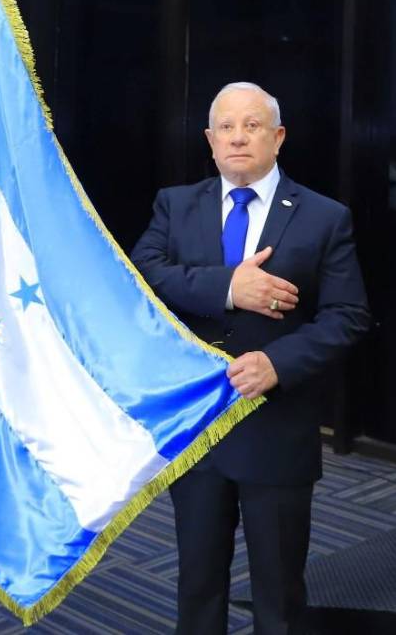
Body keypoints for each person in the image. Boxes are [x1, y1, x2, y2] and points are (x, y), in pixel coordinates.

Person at [132, 82, 371, 635]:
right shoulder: (175, 204)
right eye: (226, 127)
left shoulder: (323, 216)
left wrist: (276, 364)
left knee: (279, 593)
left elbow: (347, 316)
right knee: (197, 585)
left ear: (278, 137)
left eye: (253, 125)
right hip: (197, 430)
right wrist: (227, 288)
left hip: (277, 430)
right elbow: (144, 275)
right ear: (209, 140)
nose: (239, 137)